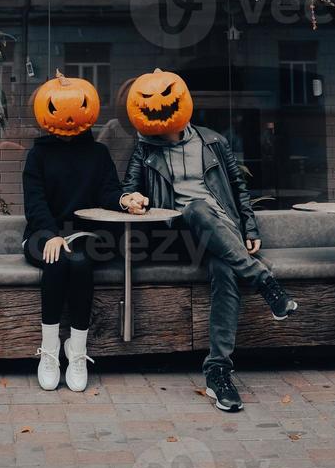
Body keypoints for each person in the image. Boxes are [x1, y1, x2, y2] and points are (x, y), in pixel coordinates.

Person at [122, 70, 298, 413]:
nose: (156, 108)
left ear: (182, 102)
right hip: (176, 236)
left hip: (222, 232)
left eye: (165, 98)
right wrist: (129, 199)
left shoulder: (213, 141)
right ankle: (264, 281)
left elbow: (238, 187)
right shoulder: (144, 149)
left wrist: (250, 230)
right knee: (198, 208)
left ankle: (218, 372)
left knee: (226, 270)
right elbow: (127, 189)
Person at [23, 71, 144, 392]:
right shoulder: (38, 155)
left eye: (78, 106)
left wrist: (124, 199)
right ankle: (49, 350)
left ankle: (76, 351)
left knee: (78, 261)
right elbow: (34, 203)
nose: (68, 115)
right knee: (58, 260)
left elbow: (107, 193)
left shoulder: (98, 153)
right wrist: (50, 233)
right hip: (44, 233)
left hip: (87, 236)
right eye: (57, 106)